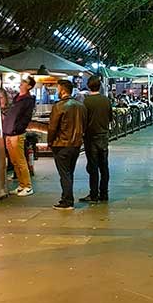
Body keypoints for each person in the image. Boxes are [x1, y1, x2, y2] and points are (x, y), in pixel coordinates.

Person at [48, 79, 86, 210]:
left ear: (63, 90)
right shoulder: (81, 106)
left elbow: (52, 127)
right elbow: (84, 125)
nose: (57, 91)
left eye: (58, 89)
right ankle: (67, 198)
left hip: (62, 144)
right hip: (76, 144)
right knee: (69, 173)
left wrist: (49, 141)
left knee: (64, 174)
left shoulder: (59, 106)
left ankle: (67, 201)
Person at [3, 76, 37, 197]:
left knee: (20, 160)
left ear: (29, 86)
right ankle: (22, 185)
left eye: (24, 82)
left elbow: (26, 117)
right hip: (9, 132)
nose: (21, 83)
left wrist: (17, 128)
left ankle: (27, 186)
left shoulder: (27, 100)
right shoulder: (17, 98)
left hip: (16, 133)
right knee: (14, 161)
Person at [81, 76, 112, 203]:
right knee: (104, 166)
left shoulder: (86, 102)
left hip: (90, 137)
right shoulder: (106, 100)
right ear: (100, 86)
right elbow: (110, 118)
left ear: (89, 86)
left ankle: (93, 194)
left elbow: (83, 120)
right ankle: (104, 193)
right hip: (103, 136)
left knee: (93, 166)